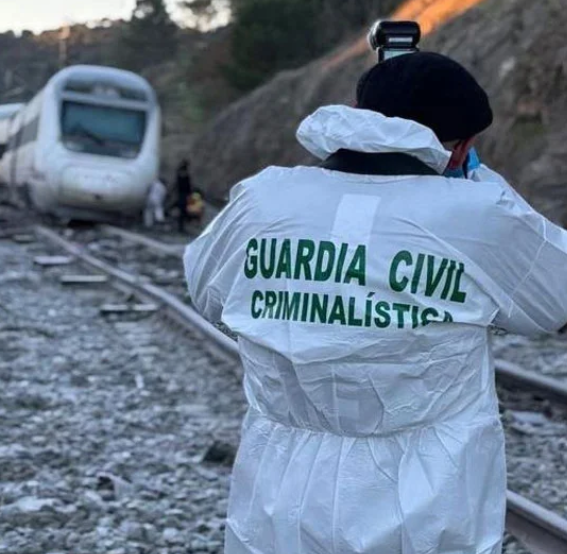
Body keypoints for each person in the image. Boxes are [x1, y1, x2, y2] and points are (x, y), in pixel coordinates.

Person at [184, 52, 567, 554]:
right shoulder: (479, 214)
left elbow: (207, 293)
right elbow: (556, 298)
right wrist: (482, 183)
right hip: (427, 503)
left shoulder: (261, 200)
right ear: (461, 149)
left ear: (358, 113)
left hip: (280, 492)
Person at [175, 159, 192, 233]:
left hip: (181, 194)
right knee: (183, 211)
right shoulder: (185, 175)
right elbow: (188, 186)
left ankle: (181, 227)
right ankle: (181, 227)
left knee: (182, 211)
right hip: (184, 195)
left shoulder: (179, 173)